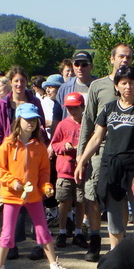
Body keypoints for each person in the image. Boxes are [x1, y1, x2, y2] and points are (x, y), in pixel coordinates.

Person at [78, 44, 134, 261]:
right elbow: (88, 123)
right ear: (112, 58)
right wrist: (81, 157)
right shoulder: (98, 87)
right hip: (104, 155)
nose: (124, 60)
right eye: (121, 56)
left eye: (128, 57)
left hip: (133, 160)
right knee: (97, 197)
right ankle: (97, 242)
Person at [0, 103, 68, 269]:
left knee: (43, 229)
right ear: (18, 121)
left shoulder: (39, 146)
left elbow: (43, 173)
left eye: (34, 120)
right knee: (7, 233)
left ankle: (54, 265)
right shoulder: (8, 144)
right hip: (11, 196)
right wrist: (12, 182)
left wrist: (46, 186)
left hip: (33, 197)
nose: (31, 123)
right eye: (27, 119)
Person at [0, 66, 48, 261]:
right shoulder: (2, 104)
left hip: (31, 151)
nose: (19, 84)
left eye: (22, 81)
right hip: (11, 154)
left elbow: (41, 128)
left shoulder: (34, 102)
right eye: (15, 81)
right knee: (14, 201)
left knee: (34, 199)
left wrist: (42, 148)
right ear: (10, 83)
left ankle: (38, 245)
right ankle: (12, 244)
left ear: (26, 83)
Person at [50, 92, 88, 249]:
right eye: (69, 108)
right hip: (65, 170)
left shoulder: (87, 124)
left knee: (80, 201)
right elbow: (54, 144)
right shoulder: (63, 124)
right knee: (64, 201)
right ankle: (62, 231)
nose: (72, 111)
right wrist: (63, 145)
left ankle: (79, 231)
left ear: (83, 107)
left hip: (82, 170)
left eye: (75, 108)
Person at [41, 74, 65, 139]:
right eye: (46, 88)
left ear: (60, 88)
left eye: (51, 87)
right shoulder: (52, 103)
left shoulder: (64, 105)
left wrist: (50, 123)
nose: (47, 90)